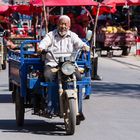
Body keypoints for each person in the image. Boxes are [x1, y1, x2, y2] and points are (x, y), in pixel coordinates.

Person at [38, 15, 90, 120]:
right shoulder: (50, 35)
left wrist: (85, 47)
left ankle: (78, 109)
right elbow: (42, 45)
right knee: (49, 77)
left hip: (68, 65)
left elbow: (80, 44)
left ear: (69, 26)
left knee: (79, 79)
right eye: (61, 24)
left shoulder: (73, 36)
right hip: (53, 64)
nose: (63, 26)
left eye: (65, 24)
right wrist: (41, 48)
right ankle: (49, 104)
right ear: (57, 25)